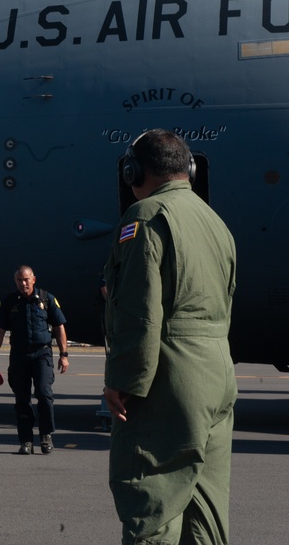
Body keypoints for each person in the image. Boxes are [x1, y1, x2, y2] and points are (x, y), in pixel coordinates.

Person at [103, 129, 236, 544]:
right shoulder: (215, 222)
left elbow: (141, 312)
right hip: (217, 373)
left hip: (170, 377)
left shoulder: (146, 216)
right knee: (205, 512)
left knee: (152, 503)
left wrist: (124, 380)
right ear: (188, 168)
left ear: (133, 170)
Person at [0, 265, 69, 455]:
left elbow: (59, 327)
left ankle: (46, 435)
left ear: (34, 279)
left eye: (26, 279)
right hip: (19, 355)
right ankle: (26, 440)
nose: (23, 283)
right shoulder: (9, 301)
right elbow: (0, 330)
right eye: (19, 280)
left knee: (44, 394)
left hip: (42, 354)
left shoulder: (47, 299)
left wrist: (64, 355)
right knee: (21, 399)